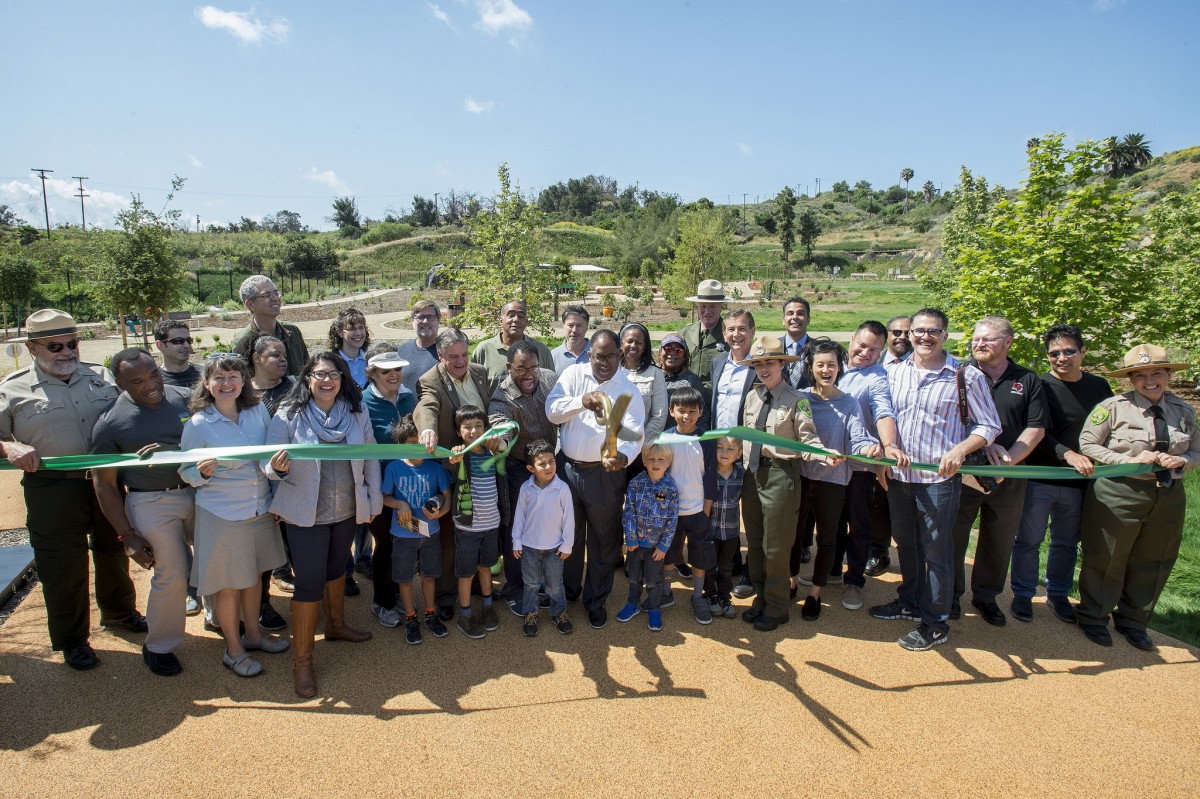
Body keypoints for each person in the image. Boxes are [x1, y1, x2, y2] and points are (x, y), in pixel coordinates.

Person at [0, 309, 143, 671]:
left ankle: (120, 612)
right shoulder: (11, 388)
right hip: (52, 488)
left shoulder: (101, 376)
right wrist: (8, 447)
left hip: (106, 481)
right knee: (63, 564)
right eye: (55, 346)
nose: (67, 352)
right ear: (32, 348)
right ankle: (73, 639)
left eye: (73, 343)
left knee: (114, 549)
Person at [870, 308, 1001, 651]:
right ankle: (910, 602)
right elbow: (886, 416)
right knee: (907, 544)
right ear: (909, 334)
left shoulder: (964, 375)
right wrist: (886, 454)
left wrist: (960, 450)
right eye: (918, 331)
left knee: (937, 551)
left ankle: (936, 621)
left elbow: (989, 425)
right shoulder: (893, 372)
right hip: (900, 476)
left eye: (933, 331)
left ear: (945, 335)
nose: (924, 337)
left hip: (940, 481)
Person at [266, 352, 383, 697]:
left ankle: (335, 625)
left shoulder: (356, 413)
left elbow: (372, 455)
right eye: (320, 374)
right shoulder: (288, 415)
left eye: (334, 374)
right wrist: (277, 469)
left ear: (343, 379)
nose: (327, 380)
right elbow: (267, 464)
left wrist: (372, 499)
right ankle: (302, 663)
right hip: (305, 514)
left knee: (336, 569)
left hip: (346, 509)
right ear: (307, 379)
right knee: (309, 582)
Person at [1076, 344, 1199, 651]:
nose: (1149, 380)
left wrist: (1183, 461)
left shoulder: (1183, 410)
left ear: (1168, 374)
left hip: (1168, 493)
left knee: (1154, 559)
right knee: (1108, 556)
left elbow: (1196, 449)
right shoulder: (1113, 407)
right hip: (1121, 490)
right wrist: (1127, 460)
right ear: (1131, 379)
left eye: (1156, 372)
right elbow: (1088, 444)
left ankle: (1134, 621)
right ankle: (1093, 616)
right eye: (1140, 375)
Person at [179, 354, 290, 678]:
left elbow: (268, 461)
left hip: (258, 508)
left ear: (244, 380)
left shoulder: (257, 411)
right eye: (219, 378)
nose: (226, 384)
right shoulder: (199, 422)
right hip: (222, 513)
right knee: (228, 586)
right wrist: (200, 473)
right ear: (207, 383)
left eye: (232, 377)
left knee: (254, 577)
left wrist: (277, 468)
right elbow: (184, 470)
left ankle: (253, 635)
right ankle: (234, 649)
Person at [90, 349, 195, 677]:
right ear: (119, 383)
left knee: (216, 558)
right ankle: (159, 644)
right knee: (171, 573)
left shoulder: (187, 400)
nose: (151, 384)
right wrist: (127, 534)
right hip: (150, 502)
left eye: (153, 375)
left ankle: (221, 619)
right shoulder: (110, 422)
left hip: (199, 493)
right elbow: (104, 485)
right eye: (137, 380)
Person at [1011, 325, 1113, 623]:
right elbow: (1035, 431)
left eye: (1069, 351)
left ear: (1083, 352)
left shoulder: (1099, 387)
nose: (1061, 358)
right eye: (1054, 353)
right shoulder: (1038, 385)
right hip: (1040, 476)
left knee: (1066, 542)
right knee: (1028, 539)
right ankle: (1022, 593)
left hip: (1079, 481)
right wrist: (1067, 454)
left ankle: (1057, 594)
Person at [950, 316, 1048, 627]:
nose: (979, 344)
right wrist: (976, 450)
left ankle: (986, 596)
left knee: (999, 537)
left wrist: (1009, 462)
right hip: (965, 471)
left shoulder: (1028, 380)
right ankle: (950, 595)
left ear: (1007, 342)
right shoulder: (959, 375)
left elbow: (1035, 428)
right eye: (976, 339)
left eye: (988, 339)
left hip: (1010, 474)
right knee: (953, 535)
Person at [546, 328, 647, 629]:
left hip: (605, 474)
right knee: (569, 536)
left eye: (611, 357)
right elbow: (552, 411)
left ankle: (596, 600)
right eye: (599, 356)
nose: (604, 363)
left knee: (604, 541)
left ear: (621, 356)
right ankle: (570, 590)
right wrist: (582, 401)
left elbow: (634, 433)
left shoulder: (628, 388)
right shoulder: (573, 375)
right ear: (589, 353)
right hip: (567, 470)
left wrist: (624, 457)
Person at [738, 335, 822, 632]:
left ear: (782, 365)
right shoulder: (752, 397)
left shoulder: (796, 400)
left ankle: (777, 606)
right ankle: (761, 599)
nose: (763, 369)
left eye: (769, 362)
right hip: (753, 475)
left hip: (780, 475)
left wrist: (824, 455)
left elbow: (809, 439)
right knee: (757, 544)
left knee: (776, 547)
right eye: (758, 364)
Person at [792, 340, 880, 621]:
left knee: (828, 540)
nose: (826, 369)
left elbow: (859, 439)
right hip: (802, 478)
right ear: (811, 368)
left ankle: (815, 593)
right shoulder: (801, 398)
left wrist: (869, 448)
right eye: (820, 364)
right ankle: (792, 580)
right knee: (794, 536)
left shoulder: (848, 402)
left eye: (832, 364)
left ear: (839, 367)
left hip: (834, 481)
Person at [414, 327, 496, 619]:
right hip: (453, 471)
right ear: (440, 355)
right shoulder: (429, 380)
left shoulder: (480, 372)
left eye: (464, 354)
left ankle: (475, 585)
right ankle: (448, 596)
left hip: (483, 467)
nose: (460, 361)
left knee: (482, 530)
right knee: (452, 536)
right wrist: (427, 429)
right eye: (453, 357)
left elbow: (492, 409)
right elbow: (427, 407)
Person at [487, 340, 559, 614]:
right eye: (521, 369)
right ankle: (515, 589)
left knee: (544, 524)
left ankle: (539, 582)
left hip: (548, 465)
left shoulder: (550, 379)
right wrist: (499, 442)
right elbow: (500, 427)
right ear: (509, 368)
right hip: (518, 468)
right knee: (517, 527)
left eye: (533, 367)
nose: (529, 374)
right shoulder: (501, 397)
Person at [836, 322, 902, 605]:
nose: (865, 353)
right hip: (829, 464)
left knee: (858, 525)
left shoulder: (877, 378)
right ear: (851, 339)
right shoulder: (835, 368)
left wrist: (889, 446)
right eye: (861, 346)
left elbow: (883, 412)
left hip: (860, 468)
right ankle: (830, 569)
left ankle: (854, 581)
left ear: (882, 351)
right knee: (832, 521)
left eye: (874, 350)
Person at [380, 415, 453, 646]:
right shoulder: (394, 467)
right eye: (412, 443)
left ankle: (430, 613)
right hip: (403, 534)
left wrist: (441, 512)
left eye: (421, 442)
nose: (419, 448)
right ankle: (411, 617)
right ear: (400, 444)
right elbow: (385, 497)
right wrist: (399, 504)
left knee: (430, 575)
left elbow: (448, 497)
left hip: (431, 532)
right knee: (405, 578)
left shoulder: (435, 468)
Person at [362, 347, 416, 628]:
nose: (393, 375)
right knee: (385, 544)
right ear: (372, 374)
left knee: (405, 543)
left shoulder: (410, 397)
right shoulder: (361, 403)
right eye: (386, 371)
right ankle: (382, 601)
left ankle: (398, 592)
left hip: (411, 485)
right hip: (380, 488)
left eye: (397, 369)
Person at [710, 309, 757, 598]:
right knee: (723, 510)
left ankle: (751, 572)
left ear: (752, 331)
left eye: (742, 329)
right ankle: (730, 563)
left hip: (748, 452)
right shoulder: (718, 363)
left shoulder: (760, 365)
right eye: (730, 329)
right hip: (720, 452)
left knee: (750, 514)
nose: (735, 335)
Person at [446, 405, 504, 639]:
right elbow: (452, 460)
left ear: (486, 428)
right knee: (466, 573)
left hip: (491, 525)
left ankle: (488, 606)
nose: (473, 430)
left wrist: (499, 444)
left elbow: (504, 451)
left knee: (486, 567)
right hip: (468, 528)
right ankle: (466, 614)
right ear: (459, 432)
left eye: (479, 426)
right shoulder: (461, 455)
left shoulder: (492, 453)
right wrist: (455, 456)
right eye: (467, 427)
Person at [660, 386, 715, 623]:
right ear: (672, 411)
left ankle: (697, 596)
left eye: (692, 411)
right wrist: (662, 507)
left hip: (697, 510)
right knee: (668, 553)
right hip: (671, 512)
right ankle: (665, 592)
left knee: (699, 554)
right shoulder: (664, 438)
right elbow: (659, 476)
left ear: (701, 412)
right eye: (681, 410)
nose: (686, 416)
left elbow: (710, 477)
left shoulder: (706, 440)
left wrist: (706, 510)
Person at [511, 440, 574, 637]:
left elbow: (569, 518)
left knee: (555, 585)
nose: (548, 467)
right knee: (531, 583)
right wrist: (516, 540)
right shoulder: (526, 488)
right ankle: (530, 613)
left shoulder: (562, 488)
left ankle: (559, 613)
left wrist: (567, 544)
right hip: (529, 546)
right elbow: (519, 515)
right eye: (542, 463)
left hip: (555, 548)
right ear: (531, 468)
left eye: (551, 461)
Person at [615, 443, 679, 633]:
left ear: (668, 463)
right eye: (651, 459)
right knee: (634, 578)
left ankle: (654, 608)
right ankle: (632, 603)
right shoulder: (635, 484)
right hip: (635, 546)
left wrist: (663, 546)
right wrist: (631, 538)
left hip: (656, 548)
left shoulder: (670, 488)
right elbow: (629, 513)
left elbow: (672, 520)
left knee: (653, 581)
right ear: (644, 461)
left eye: (661, 460)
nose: (656, 463)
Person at [231, 275, 308, 377]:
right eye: (267, 295)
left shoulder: (292, 331)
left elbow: (307, 369)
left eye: (276, 293)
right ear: (250, 304)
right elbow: (244, 382)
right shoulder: (243, 342)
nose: (275, 298)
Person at [702, 436, 744, 618]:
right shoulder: (708, 472)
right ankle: (710, 594)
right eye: (720, 448)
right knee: (710, 564)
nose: (725, 453)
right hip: (711, 528)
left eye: (730, 449)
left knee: (726, 566)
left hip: (731, 530)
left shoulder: (742, 473)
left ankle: (724, 596)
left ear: (739, 453)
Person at [469, 299, 555, 385]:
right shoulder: (484, 349)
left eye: (521, 316)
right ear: (501, 320)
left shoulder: (541, 350)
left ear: (526, 322)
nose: (516, 320)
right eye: (511, 315)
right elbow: (473, 386)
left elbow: (551, 385)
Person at [619, 321, 668, 448]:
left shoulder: (655, 374)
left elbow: (659, 416)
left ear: (645, 346)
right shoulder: (611, 372)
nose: (633, 345)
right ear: (621, 343)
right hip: (611, 445)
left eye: (638, 342)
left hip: (642, 446)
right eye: (629, 341)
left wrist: (638, 443)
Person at [676, 279, 728, 391]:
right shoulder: (684, 334)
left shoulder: (730, 336)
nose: (707, 311)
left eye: (712, 306)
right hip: (686, 400)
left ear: (721, 307)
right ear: (697, 307)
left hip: (714, 400)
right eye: (703, 306)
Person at [658, 333, 708, 430]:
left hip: (682, 439)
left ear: (685, 355)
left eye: (678, 350)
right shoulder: (651, 376)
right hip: (650, 438)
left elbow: (703, 417)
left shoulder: (693, 382)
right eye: (668, 349)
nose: (672, 353)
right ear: (660, 352)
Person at [397, 299, 441, 394]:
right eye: (420, 317)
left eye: (430, 317)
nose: (425, 321)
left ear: (438, 320)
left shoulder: (447, 352)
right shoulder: (401, 351)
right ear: (412, 321)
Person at [326, 308, 371, 389]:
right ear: (340, 332)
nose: (358, 333)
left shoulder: (372, 359)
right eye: (352, 329)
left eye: (361, 327)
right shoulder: (331, 363)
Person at [153, 320, 200, 388]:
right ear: (160, 345)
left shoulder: (207, 375)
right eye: (178, 341)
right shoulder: (154, 382)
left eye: (188, 340)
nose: (187, 345)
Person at [781, 297, 813, 389]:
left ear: (808, 319)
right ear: (783, 320)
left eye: (800, 313)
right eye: (790, 313)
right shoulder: (773, 347)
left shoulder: (818, 348)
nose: (795, 317)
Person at [551, 305, 591, 374]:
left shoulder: (598, 354)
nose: (574, 330)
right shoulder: (553, 357)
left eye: (579, 325)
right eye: (570, 325)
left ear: (586, 327)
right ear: (563, 326)